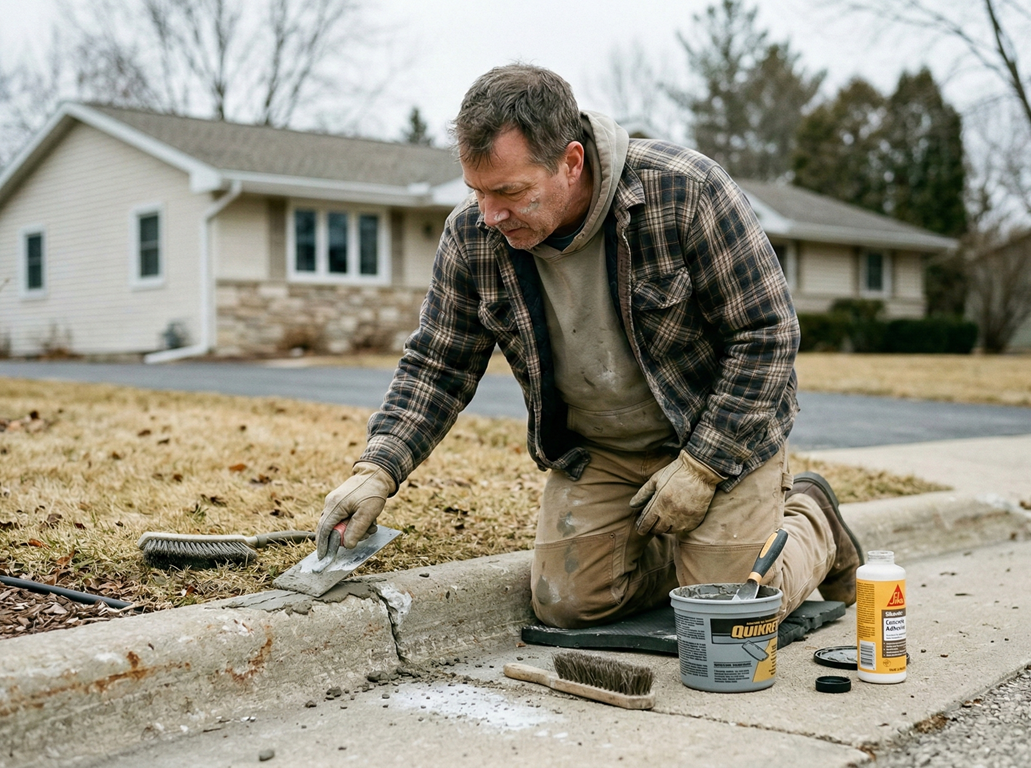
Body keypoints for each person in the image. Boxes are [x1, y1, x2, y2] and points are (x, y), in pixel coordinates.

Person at [315, 64, 863, 628]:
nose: (489, 214)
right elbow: (437, 365)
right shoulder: (473, 236)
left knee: (726, 612)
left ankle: (811, 520)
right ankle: (689, 558)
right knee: (565, 602)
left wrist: (701, 468)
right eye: (476, 190)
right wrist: (377, 470)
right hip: (604, 451)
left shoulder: (688, 191)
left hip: (718, 437)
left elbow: (767, 334)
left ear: (571, 162)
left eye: (510, 192)